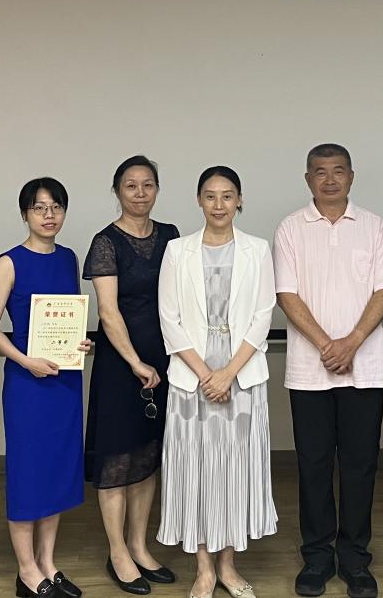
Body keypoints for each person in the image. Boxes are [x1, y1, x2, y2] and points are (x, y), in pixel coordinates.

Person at [274, 144, 383, 598]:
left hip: (364, 369)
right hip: (309, 371)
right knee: (313, 465)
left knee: (360, 466)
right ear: (308, 179)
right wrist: (328, 345)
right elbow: (286, 294)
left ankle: (355, 558)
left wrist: (351, 343)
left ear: (351, 176)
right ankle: (317, 557)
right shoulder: (290, 227)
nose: (330, 180)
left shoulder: (374, 226)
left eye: (338, 171)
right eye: (320, 172)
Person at [157, 166, 278, 598]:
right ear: (199, 200)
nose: (219, 204)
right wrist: (207, 374)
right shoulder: (177, 251)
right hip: (192, 380)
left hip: (242, 378)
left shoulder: (258, 249)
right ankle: (204, 569)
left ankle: (228, 566)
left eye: (227, 196)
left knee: (234, 470)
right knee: (196, 471)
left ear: (239, 200)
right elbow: (169, 319)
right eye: (210, 196)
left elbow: (263, 315)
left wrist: (228, 373)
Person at [0, 177, 92, 598]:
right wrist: (26, 360)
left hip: (64, 379)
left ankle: (48, 562)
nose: (49, 215)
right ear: (25, 213)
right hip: (28, 382)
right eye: (39, 207)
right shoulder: (9, 262)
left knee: (58, 468)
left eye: (56, 207)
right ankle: (27, 570)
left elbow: (68, 317)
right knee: (29, 471)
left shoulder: (68, 258)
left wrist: (80, 341)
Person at [84, 156, 180, 594]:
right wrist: (136, 362)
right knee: (117, 457)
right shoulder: (106, 242)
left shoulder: (171, 236)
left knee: (147, 454)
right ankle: (118, 551)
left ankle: (140, 545)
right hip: (121, 366)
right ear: (117, 191)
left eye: (148, 185)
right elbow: (108, 311)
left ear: (157, 189)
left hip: (166, 361)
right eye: (130, 185)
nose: (140, 193)